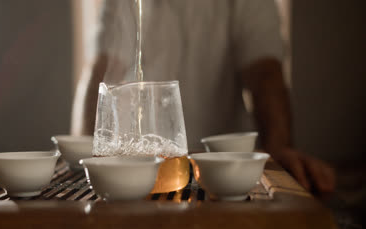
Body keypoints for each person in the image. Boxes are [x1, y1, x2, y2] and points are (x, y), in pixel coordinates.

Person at [71, 0, 335, 193]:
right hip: (141, 174)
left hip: (226, 167)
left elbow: (265, 75)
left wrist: (278, 154)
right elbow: (101, 75)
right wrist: (88, 163)